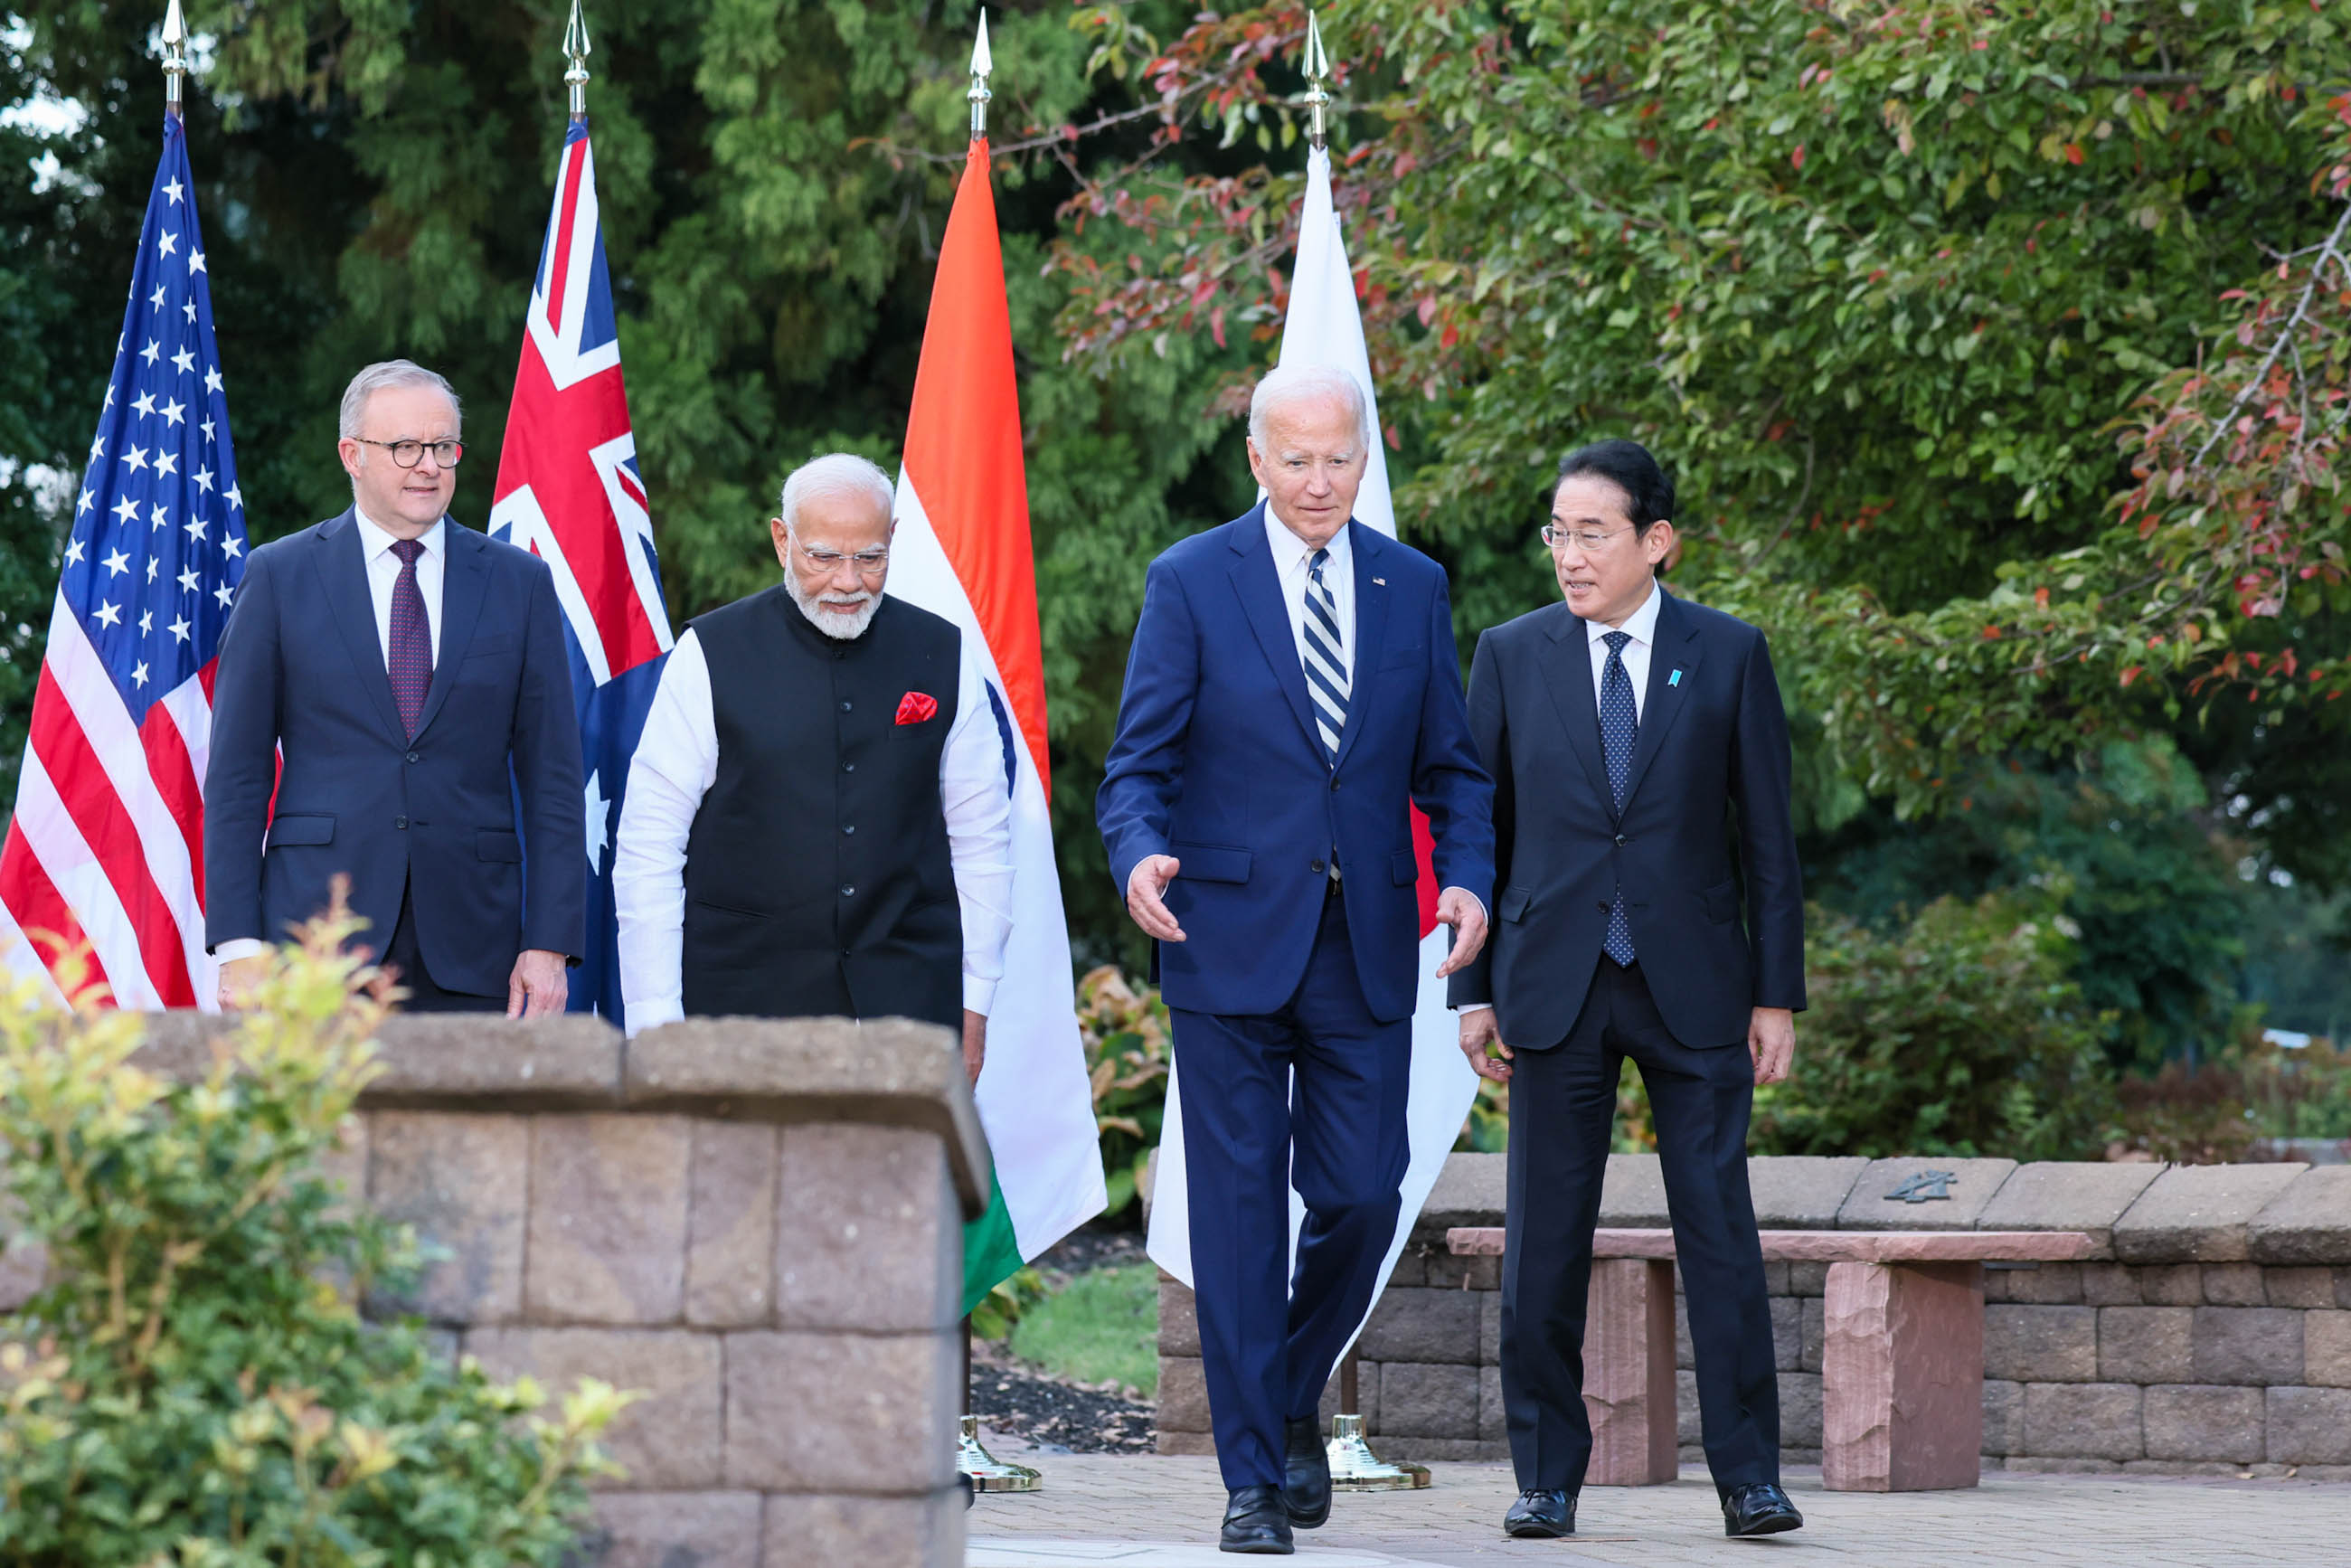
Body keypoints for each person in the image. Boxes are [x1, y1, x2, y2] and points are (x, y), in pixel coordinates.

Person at [1099, 363, 1495, 1554]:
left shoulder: (1411, 583)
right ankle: (1253, 1480)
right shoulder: (1190, 581)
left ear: (1363, 458)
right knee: (1232, 1215)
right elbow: (1137, 767)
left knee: (1365, 1191)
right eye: (1297, 457)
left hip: (1367, 940)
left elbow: (1454, 768)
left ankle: (1286, 1389)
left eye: (1339, 457)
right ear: (1256, 460)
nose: (1319, 480)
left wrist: (1467, 872)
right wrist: (1137, 857)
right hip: (1221, 936)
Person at [1449, 439, 1807, 1541]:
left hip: (1695, 984)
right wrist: (1469, 992)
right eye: (1556, 531)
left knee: (1718, 1233)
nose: (1568, 554)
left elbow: (1768, 843)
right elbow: (1479, 830)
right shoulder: (1509, 655)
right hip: (1547, 982)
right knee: (1542, 1240)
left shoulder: (1728, 653)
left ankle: (1749, 1479)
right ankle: (1546, 1477)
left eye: (1591, 531)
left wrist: (1774, 994)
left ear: (1656, 541)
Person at [609, 452, 1009, 1084]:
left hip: (909, 1012)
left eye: (870, 557)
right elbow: (648, 850)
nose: (848, 580)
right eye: (823, 556)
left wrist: (976, 1004)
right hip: (740, 1014)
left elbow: (982, 841)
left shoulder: (944, 654)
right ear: (781, 540)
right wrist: (657, 1022)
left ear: (892, 542)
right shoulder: (709, 654)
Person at [206, 360, 583, 1014]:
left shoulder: (520, 583)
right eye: (405, 447)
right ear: (351, 455)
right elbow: (237, 778)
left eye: (443, 447)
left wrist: (549, 943)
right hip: (316, 942)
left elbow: (553, 778)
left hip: (476, 942)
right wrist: (239, 944)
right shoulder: (278, 576)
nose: (429, 465)